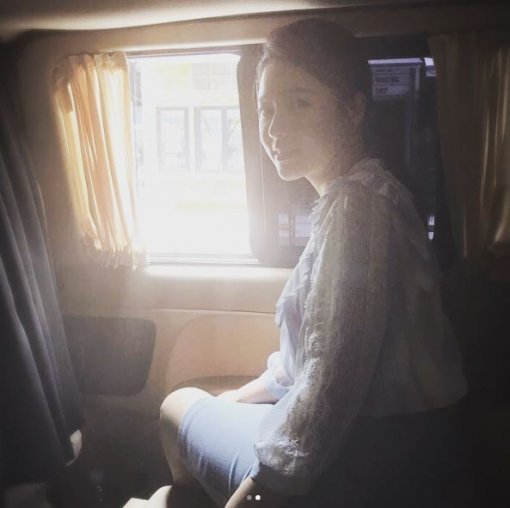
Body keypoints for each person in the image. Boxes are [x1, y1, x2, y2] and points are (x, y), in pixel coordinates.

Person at [160, 18, 468, 508]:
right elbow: (312, 359)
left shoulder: (357, 206)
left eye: (299, 102)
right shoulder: (368, 194)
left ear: (353, 109)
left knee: (175, 406)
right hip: (394, 448)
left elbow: (332, 380)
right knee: (212, 401)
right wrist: (240, 397)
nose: (274, 127)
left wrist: (262, 490)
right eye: (266, 109)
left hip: (372, 465)